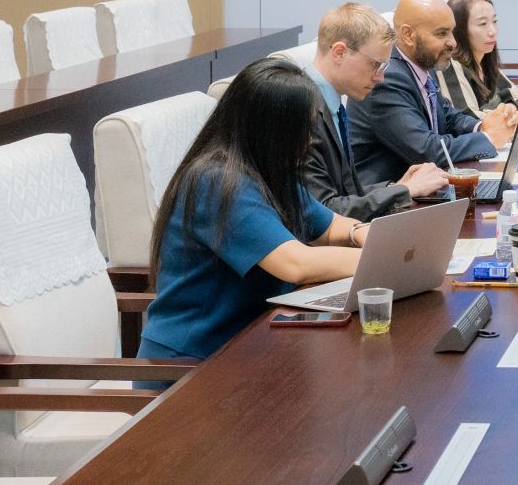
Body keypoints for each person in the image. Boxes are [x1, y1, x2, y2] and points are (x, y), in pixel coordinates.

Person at [138, 58, 372, 363]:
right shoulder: (217, 182)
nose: (308, 140)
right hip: (192, 362)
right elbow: (295, 264)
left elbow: (327, 227)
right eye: (303, 130)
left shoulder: (270, 173)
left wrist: (359, 232)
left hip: (255, 343)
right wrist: (380, 257)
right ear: (272, 131)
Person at [301, 2, 450, 221]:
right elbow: (322, 211)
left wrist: (396, 187)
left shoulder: (332, 102)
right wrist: (404, 191)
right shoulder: (301, 109)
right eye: (375, 65)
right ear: (340, 53)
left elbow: (345, 191)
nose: (380, 78)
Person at [348, 0, 508, 190]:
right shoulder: (387, 78)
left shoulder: (423, 63)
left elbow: (447, 117)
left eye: (452, 32)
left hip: (425, 190)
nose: (453, 42)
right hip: (389, 196)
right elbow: (427, 151)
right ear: (408, 35)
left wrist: (481, 126)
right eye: (441, 34)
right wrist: (489, 139)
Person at [437, 0, 518, 144]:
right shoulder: (450, 65)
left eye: (494, 21)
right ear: (459, 29)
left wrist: (509, 109)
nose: (492, 31)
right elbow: (469, 118)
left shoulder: (485, 62)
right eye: (482, 24)